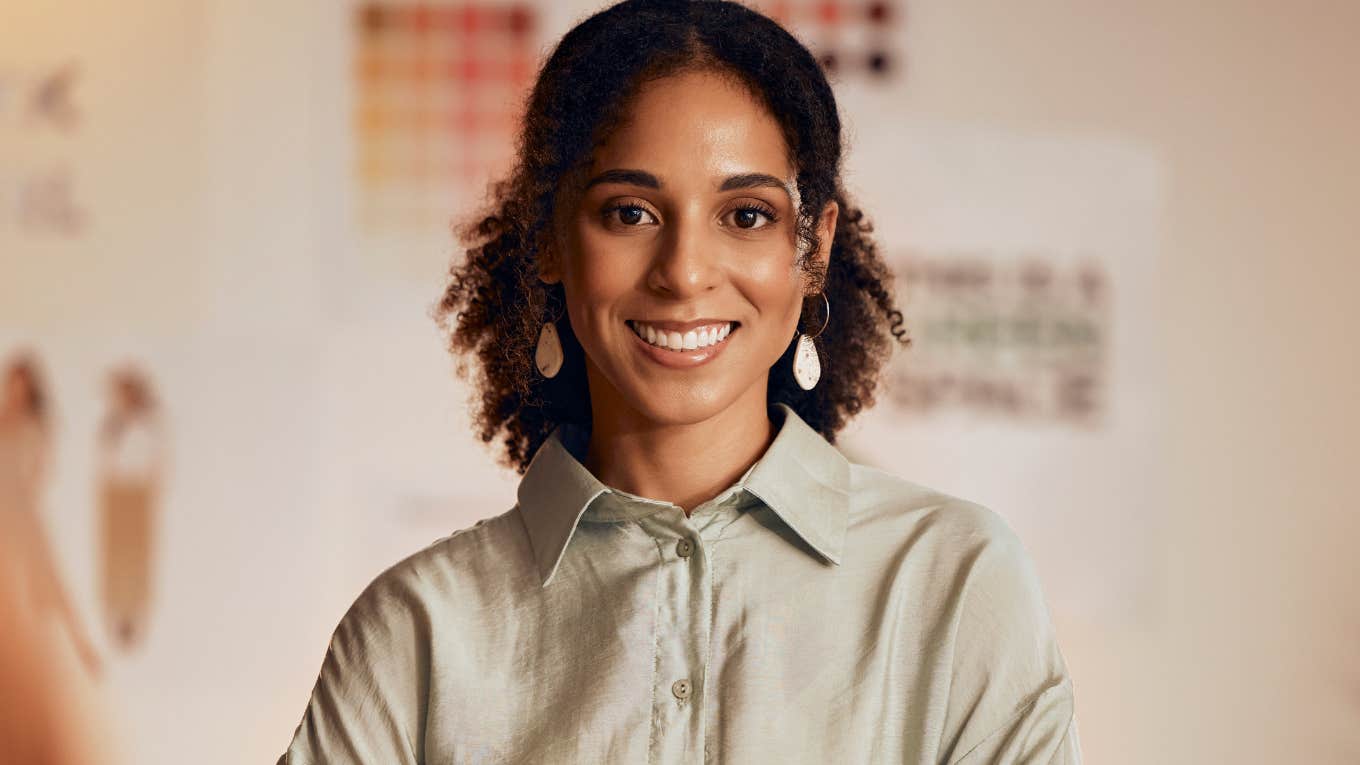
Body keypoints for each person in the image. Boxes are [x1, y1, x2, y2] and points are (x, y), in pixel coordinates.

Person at [279, 1, 1082, 762]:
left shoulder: (955, 581)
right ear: (552, 237)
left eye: (746, 215)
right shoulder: (417, 631)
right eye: (630, 212)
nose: (685, 272)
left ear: (813, 248)